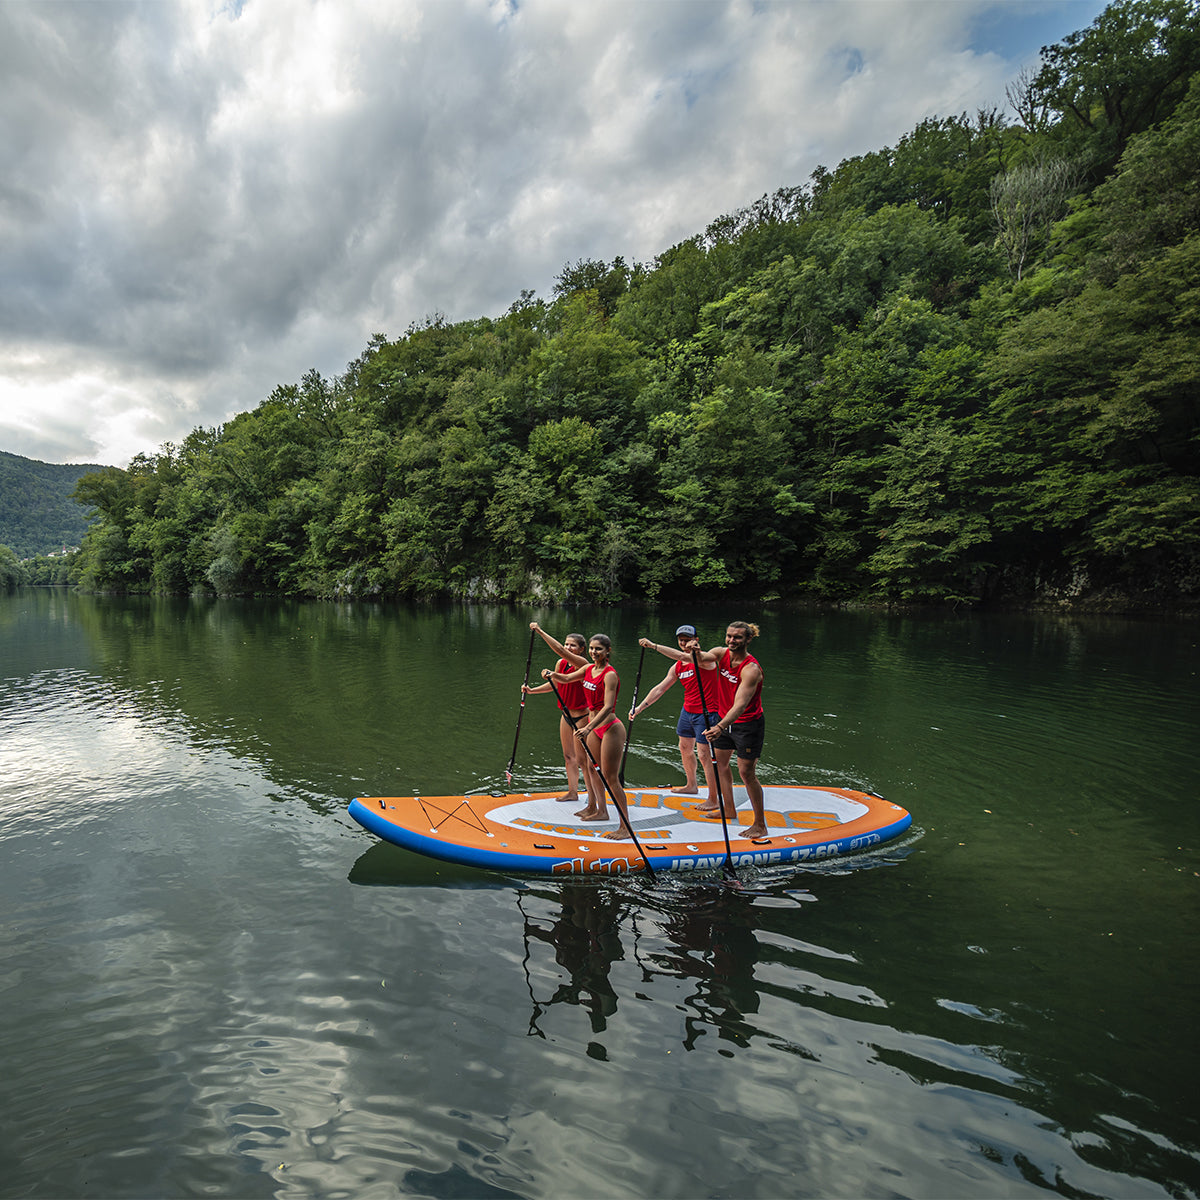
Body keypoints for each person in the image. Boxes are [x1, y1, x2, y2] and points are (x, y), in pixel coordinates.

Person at [658, 621, 766, 839]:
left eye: (737, 637)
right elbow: (697, 660)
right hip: (724, 722)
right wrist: (696, 652)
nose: (732, 640)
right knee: (721, 766)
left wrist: (719, 726)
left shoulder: (751, 669)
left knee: (746, 773)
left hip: (746, 724)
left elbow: (741, 704)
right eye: (729, 636)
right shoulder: (720, 653)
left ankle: (760, 824)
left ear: (748, 639)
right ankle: (728, 809)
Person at [532, 625, 633, 839]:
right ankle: (600, 811)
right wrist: (551, 675)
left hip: (609, 727)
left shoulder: (610, 675)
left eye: (599, 649)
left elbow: (608, 707)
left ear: (608, 651)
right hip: (593, 726)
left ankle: (625, 827)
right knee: (589, 766)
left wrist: (588, 726)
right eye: (593, 649)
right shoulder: (588, 670)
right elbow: (566, 679)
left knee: (610, 777)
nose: (594, 653)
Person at [631, 624, 719, 805]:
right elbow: (660, 689)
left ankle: (713, 798)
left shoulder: (706, 660)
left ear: (696, 640)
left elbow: (682, 655)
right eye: (681, 640)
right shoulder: (677, 667)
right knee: (685, 748)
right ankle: (691, 785)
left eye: (688, 640)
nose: (684, 643)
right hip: (687, 712)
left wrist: (654, 646)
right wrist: (640, 707)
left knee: (704, 754)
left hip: (707, 713)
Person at [523, 629, 589, 803]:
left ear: (581, 649)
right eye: (567, 644)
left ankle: (593, 798)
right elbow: (556, 685)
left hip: (582, 717)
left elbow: (559, 649)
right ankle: (573, 792)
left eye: (572, 645)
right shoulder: (561, 664)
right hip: (566, 715)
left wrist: (539, 631)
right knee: (568, 757)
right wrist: (532, 691)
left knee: (583, 760)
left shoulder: (582, 663)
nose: (568, 648)